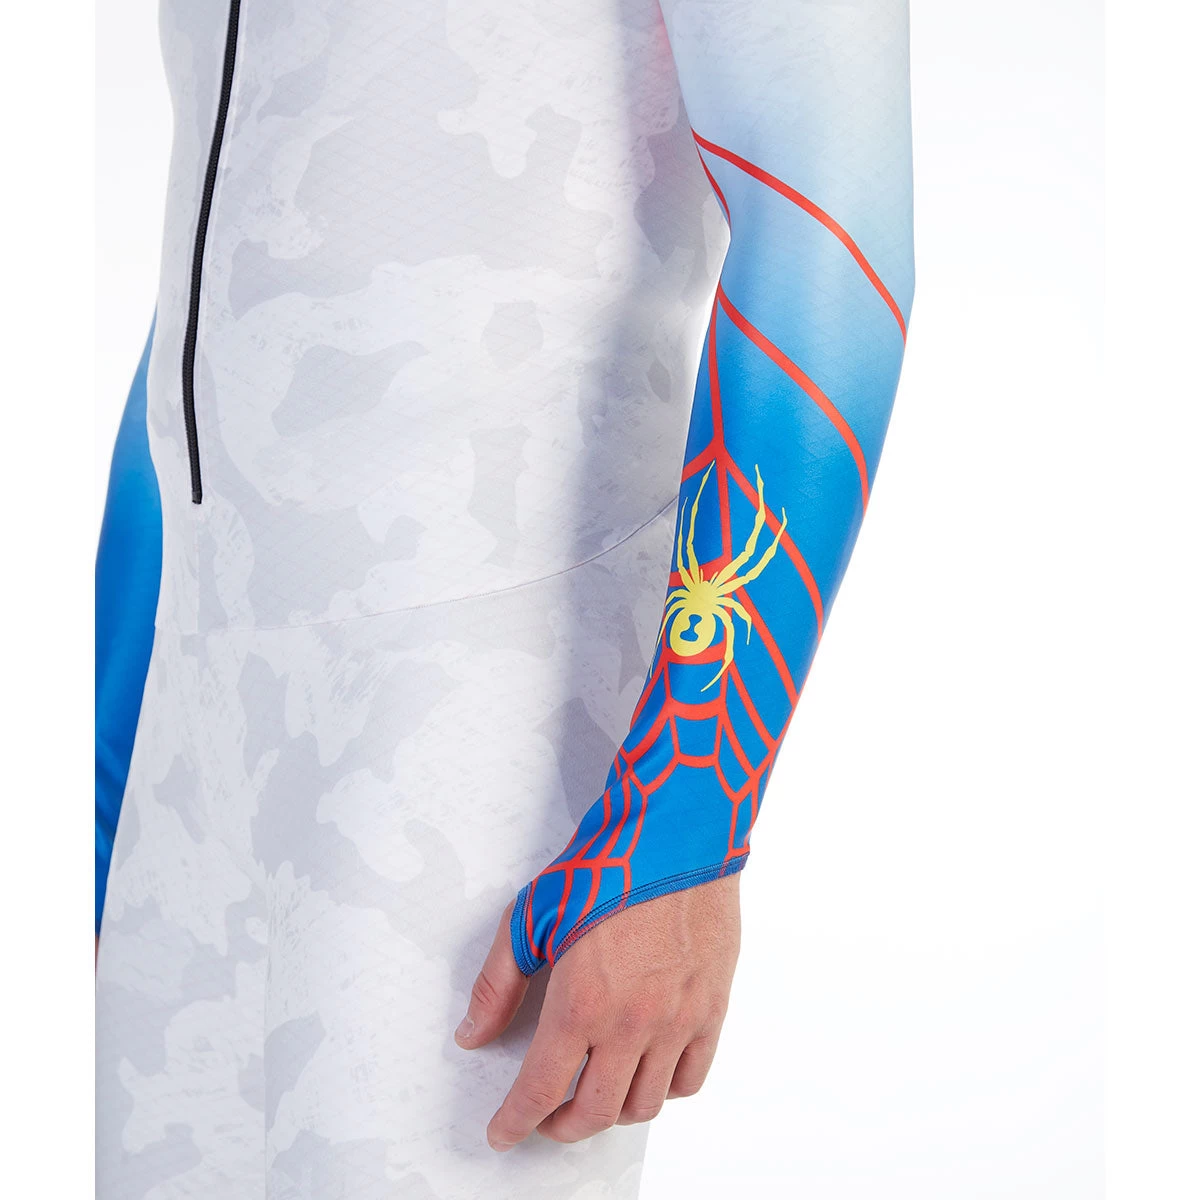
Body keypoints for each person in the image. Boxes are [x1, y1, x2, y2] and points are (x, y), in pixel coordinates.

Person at [95, 1, 913, 1196]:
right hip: (190, 740)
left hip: (483, 726)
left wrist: (683, 819)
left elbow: (829, 224)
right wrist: (98, 782)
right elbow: (220, 286)